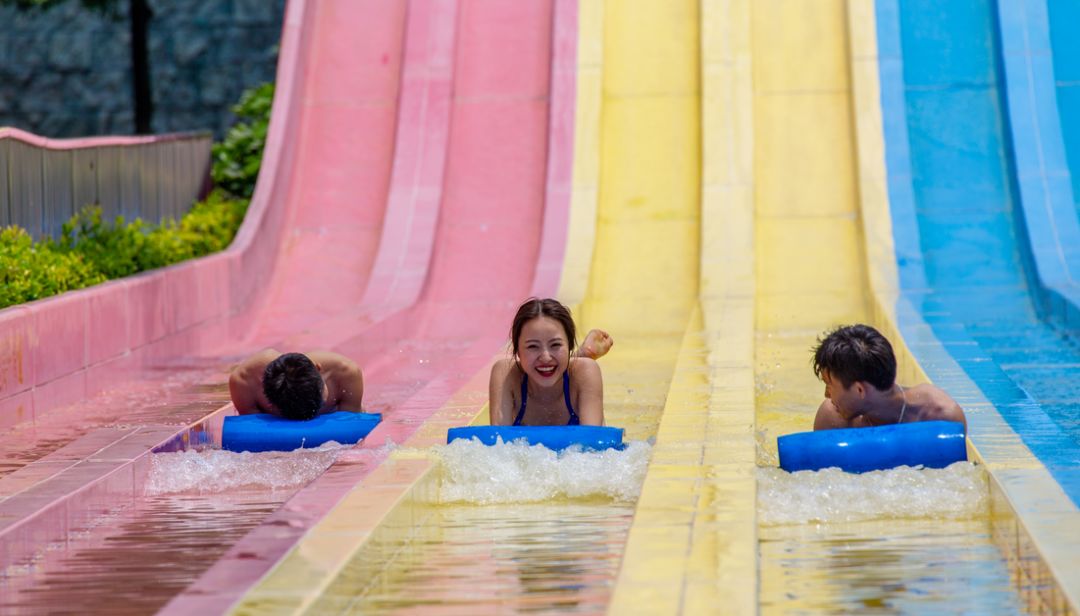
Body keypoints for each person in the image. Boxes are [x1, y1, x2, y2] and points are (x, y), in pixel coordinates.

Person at [812, 324, 966, 431]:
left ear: (859, 390)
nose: (827, 394)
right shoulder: (832, 420)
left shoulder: (940, 416)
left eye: (829, 385)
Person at [489, 298, 611, 426]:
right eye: (533, 346)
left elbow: (592, 437)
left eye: (555, 345)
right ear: (517, 350)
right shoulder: (506, 374)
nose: (546, 358)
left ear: (570, 345)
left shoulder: (585, 372)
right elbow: (499, 436)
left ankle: (581, 355)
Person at [228, 349, 364, 420]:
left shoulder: (346, 374)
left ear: (318, 369)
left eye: (321, 404)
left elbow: (351, 432)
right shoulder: (244, 382)